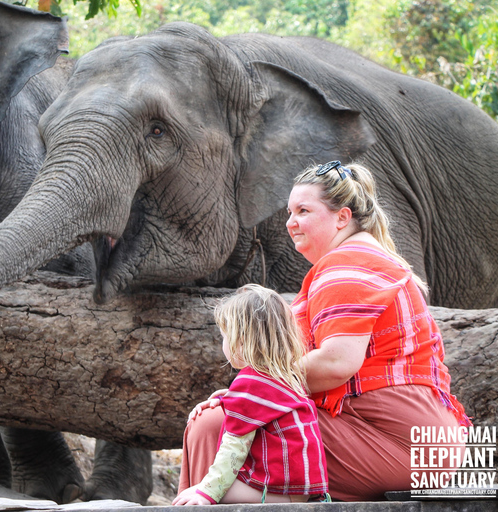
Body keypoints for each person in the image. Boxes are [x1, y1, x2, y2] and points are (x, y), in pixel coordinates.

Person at [177, 161, 471, 501]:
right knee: (226, 420)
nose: (291, 222)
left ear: (342, 217)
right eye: (289, 212)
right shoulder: (362, 257)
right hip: (420, 445)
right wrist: (247, 396)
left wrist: (250, 394)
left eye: (303, 210)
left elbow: (335, 363)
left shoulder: (346, 263)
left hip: (396, 440)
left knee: (213, 425)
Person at [172, 284, 329, 506]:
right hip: (301, 489)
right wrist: (228, 398)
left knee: (199, 490)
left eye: (224, 337)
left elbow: (233, 450)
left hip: (278, 491)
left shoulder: (250, 383)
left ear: (241, 340)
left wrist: (205, 493)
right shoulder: (282, 376)